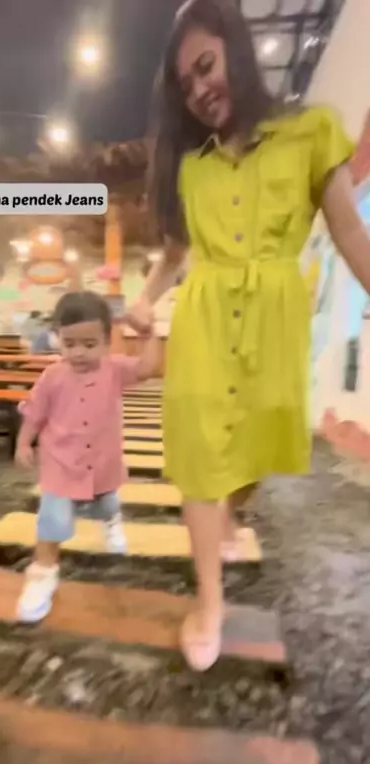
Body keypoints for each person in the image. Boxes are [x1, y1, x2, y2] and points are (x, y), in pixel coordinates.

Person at [126, 0, 370, 672]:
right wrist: (143, 301)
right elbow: (176, 253)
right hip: (205, 322)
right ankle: (209, 601)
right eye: (187, 84)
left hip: (275, 322)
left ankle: (232, 514)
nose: (200, 89)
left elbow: (348, 228)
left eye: (205, 65)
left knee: (259, 449)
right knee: (200, 459)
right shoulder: (191, 164)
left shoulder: (311, 131)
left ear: (236, 47)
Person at [15, 290, 161, 623]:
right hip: (60, 463)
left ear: (107, 341)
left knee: (105, 503)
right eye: (69, 343)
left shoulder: (114, 370)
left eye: (89, 344)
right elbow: (35, 413)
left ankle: (111, 521)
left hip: (101, 462)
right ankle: (42, 575)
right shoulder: (52, 377)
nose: (78, 352)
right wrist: (23, 443)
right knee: (52, 520)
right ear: (58, 338)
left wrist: (148, 334)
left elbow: (148, 367)